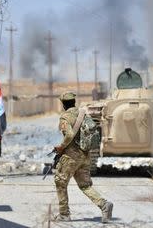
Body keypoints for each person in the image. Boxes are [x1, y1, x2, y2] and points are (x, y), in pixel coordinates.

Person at [53, 91, 113, 223]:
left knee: (60, 182)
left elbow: (68, 135)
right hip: (85, 156)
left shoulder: (65, 117)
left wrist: (61, 147)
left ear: (63, 104)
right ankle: (104, 205)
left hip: (71, 157)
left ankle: (64, 214)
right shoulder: (83, 114)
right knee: (85, 186)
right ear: (74, 102)